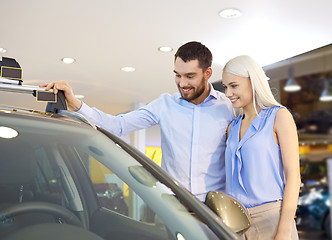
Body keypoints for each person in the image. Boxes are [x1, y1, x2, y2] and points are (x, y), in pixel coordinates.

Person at [41, 41, 234, 201]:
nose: (182, 84)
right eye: (177, 75)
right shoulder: (164, 105)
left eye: (190, 76)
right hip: (176, 207)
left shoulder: (228, 108)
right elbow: (118, 125)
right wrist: (75, 104)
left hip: (217, 209)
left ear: (207, 73)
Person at [221, 55, 301, 239]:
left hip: (272, 220)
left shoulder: (279, 117)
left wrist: (283, 231)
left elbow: (294, 178)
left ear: (253, 81)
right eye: (225, 87)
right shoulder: (231, 128)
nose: (227, 93)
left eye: (234, 86)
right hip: (235, 224)